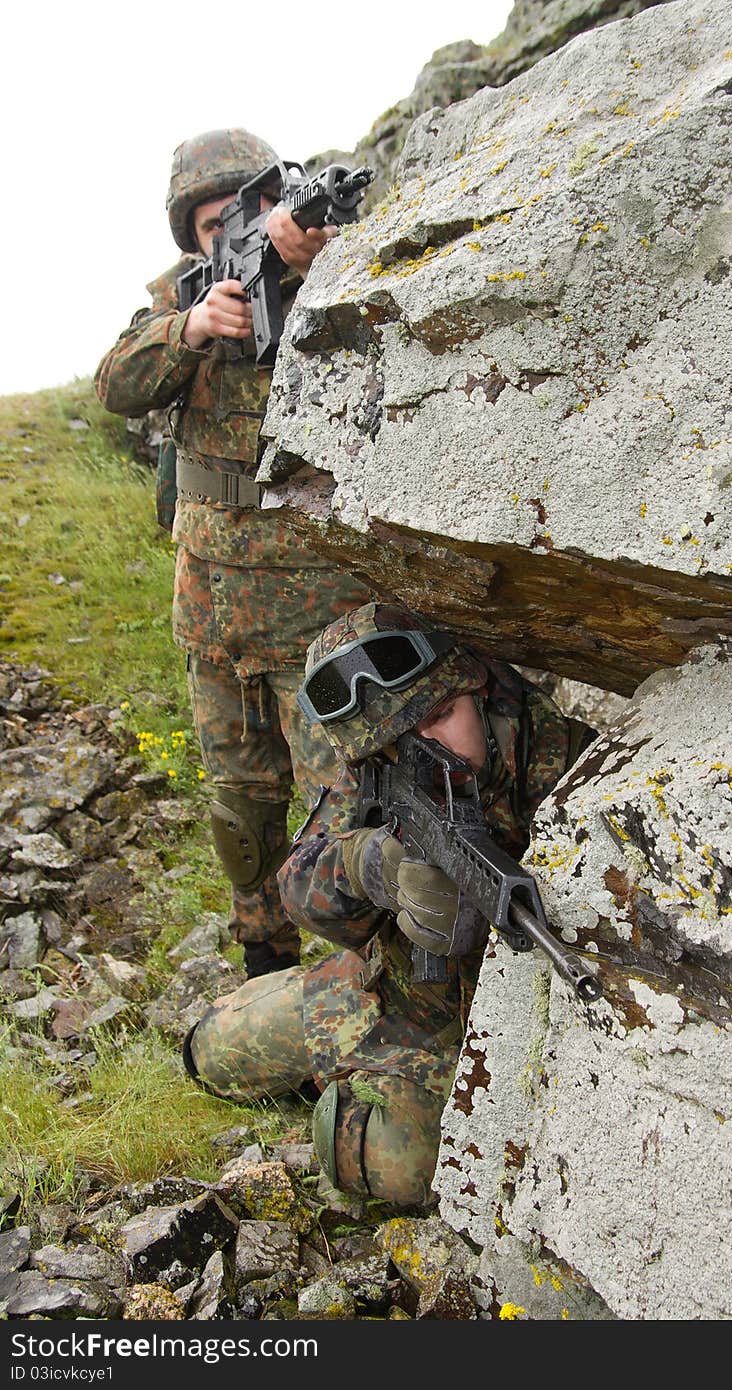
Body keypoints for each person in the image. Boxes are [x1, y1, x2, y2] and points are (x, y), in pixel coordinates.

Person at [184, 601, 597, 1206]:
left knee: (394, 1171)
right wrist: (369, 867)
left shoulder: (563, 762)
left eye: (439, 714)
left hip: (482, 1032)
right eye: (401, 737)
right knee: (207, 1054)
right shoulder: (384, 763)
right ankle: (333, 1058)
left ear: (477, 689)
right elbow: (297, 884)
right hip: (384, 990)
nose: (429, 745)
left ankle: (361, 1087)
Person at [95, 129, 370, 979]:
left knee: (344, 809)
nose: (229, 233)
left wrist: (308, 257)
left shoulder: (333, 265)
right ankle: (263, 966)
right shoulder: (172, 301)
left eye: (242, 214)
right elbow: (115, 385)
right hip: (211, 610)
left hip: (313, 610)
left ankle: (358, 989)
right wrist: (190, 328)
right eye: (210, 222)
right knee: (242, 810)